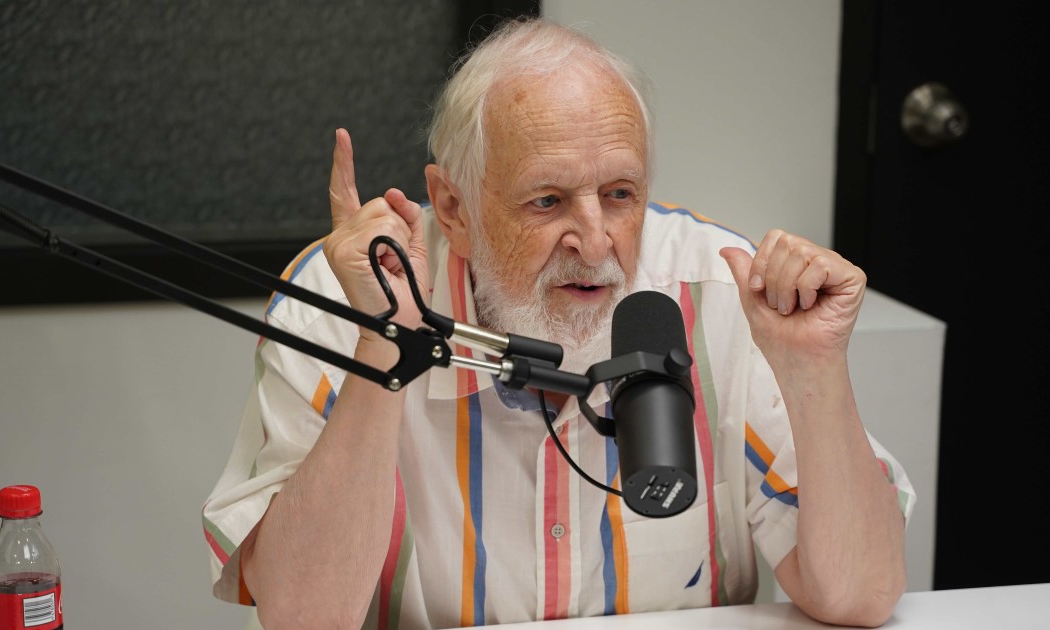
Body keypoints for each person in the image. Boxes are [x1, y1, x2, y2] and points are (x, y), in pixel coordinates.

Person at [202, 17, 913, 630]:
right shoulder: (350, 296)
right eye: (547, 201)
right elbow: (302, 618)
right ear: (453, 209)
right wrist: (382, 345)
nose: (596, 242)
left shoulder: (719, 291)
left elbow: (860, 594)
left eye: (620, 194)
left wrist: (815, 369)